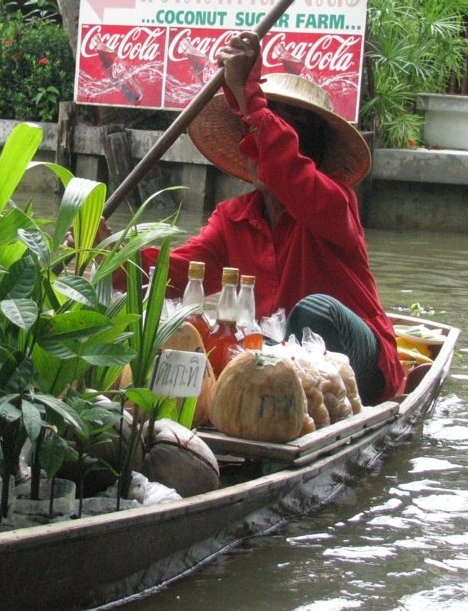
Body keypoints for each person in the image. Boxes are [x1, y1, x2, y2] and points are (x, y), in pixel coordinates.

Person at [143, 30, 404, 405]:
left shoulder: (333, 202)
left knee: (316, 310)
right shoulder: (232, 218)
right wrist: (101, 256)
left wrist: (249, 98)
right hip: (277, 367)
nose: (257, 150)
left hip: (358, 364)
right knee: (220, 337)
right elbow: (179, 273)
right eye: (252, 138)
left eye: (264, 137)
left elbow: (290, 174)